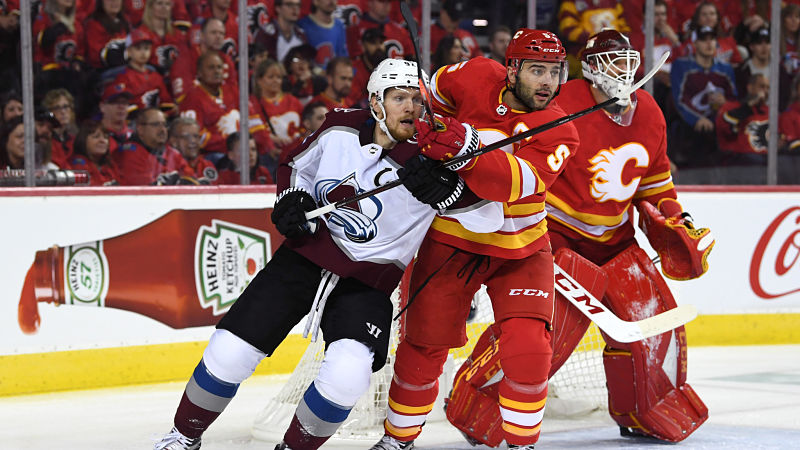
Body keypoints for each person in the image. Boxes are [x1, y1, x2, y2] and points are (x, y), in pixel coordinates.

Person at [153, 57, 502, 450]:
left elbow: (490, 219)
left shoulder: (437, 156)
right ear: (376, 102)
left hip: (367, 284)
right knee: (229, 352)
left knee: (348, 375)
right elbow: (296, 165)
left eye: (417, 100)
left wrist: (449, 192)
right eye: (399, 98)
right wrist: (291, 198)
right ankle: (183, 436)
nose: (411, 107)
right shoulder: (340, 127)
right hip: (302, 259)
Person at [451, 29, 714, 446]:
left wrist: (675, 219)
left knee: (652, 323)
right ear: (589, 69)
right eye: (613, 62)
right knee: (546, 334)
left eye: (627, 62)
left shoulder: (649, 111)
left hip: (617, 240)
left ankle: (645, 408)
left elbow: (656, 183)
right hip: (554, 237)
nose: (622, 72)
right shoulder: (560, 99)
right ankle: (481, 401)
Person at [372, 29, 580, 450]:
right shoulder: (473, 74)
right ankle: (398, 440)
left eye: (555, 72)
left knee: (529, 352)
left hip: (521, 250)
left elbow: (513, 184)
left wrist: (463, 147)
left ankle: (522, 445)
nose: (548, 82)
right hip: (453, 240)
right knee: (421, 349)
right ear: (512, 69)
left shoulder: (562, 130)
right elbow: (425, 101)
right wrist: (426, 142)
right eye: (536, 70)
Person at [669, 25, 737, 168]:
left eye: (712, 39)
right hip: (689, 125)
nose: (709, 43)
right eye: (703, 40)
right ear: (695, 44)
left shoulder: (726, 69)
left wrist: (725, 103)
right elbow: (679, 100)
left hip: (717, 123)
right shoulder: (681, 66)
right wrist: (696, 119)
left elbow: (734, 99)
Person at [113, 107, 190, 184]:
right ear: (140, 129)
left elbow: (190, 179)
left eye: (164, 125)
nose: (162, 130)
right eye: (156, 124)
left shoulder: (172, 153)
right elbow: (143, 187)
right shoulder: (129, 153)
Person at [111, 28, 176, 114]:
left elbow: (166, 102)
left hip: (156, 117)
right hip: (134, 118)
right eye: (138, 48)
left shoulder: (156, 76)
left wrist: (167, 113)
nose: (143, 53)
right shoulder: (123, 77)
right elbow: (123, 106)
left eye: (146, 48)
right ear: (129, 51)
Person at [716, 72, 769, 165]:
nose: (765, 91)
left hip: (765, 157)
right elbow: (725, 127)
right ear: (750, 88)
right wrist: (749, 105)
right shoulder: (730, 107)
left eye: (768, 88)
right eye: (762, 87)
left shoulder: (770, 111)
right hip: (738, 159)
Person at [252, 0, 308, 64]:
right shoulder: (266, 34)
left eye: (298, 5)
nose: (295, 8)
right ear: (278, 8)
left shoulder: (301, 36)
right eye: (289, 4)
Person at [66, 119, 121, 185]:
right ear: (83, 140)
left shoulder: (110, 165)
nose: (102, 141)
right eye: (96, 137)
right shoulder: (78, 164)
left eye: (106, 137)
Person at [298, 0, 349, 69]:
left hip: (334, 73)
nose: (332, 1)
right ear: (315, 1)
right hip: (311, 73)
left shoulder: (339, 25)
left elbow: (342, 56)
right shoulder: (303, 26)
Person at [82, 0, 129, 70]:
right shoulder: (94, 24)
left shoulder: (124, 22)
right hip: (103, 70)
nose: (115, 2)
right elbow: (95, 57)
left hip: (123, 66)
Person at [347, 27, 387, 108]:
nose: (378, 47)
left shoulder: (388, 67)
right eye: (373, 43)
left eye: (381, 42)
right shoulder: (354, 69)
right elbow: (351, 103)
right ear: (363, 46)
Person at [168, 116, 217, 181]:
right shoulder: (166, 167)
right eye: (186, 137)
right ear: (173, 141)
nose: (193, 141)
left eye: (196, 136)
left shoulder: (207, 165)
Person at [42, 88, 78, 167]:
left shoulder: (75, 140)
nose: (63, 112)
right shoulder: (45, 140)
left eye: (66, 107)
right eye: (57, 108)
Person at [99, 81, 135, 152]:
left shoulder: (135, 136)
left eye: (124, 102)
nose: (121, 107)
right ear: (102, 106)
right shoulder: (91, 136)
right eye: (115, 102)